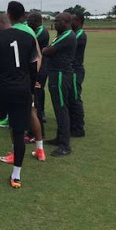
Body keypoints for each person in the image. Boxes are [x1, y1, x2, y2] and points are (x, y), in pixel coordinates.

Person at [0, 2, 41, 188]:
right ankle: (16, 176)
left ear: (8, 15)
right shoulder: (28, 37)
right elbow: (34, 68)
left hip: (2, 89)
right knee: (18, 132)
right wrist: (31, 91)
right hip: (22, 90)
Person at [43, 13, 77, 157]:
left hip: (61, 75)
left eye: (58, 21)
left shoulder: (68, 35)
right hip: (57, 74)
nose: (55, 23)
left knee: (61, 108)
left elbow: (47, 50)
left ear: (67, 22)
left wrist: (46, 49)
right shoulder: (63, 34)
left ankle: (65, 145)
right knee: (59, 108)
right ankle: (59, 138)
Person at [27, 12, 50, 130]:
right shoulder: (37, 30)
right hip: (37, 64)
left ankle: (39, 115)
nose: (28, 23)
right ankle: (40, 113)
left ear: (36, 22)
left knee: (37, 91)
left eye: (30, 21)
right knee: (38, 90)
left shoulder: (41, 32)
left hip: (41, 66)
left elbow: (30, 41)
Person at [70, 13, 87, 137]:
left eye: (73, 20)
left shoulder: (79, 34)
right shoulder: (74, 34)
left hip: (76, 70)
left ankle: (78, 128)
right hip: (71, 70)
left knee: (75, 98)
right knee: (71, 98)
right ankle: (73, 124)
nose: (70, 22)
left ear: (79, 21)